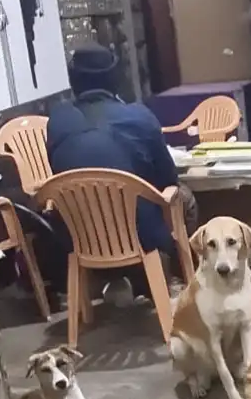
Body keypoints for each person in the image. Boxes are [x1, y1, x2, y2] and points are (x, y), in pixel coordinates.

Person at [43, 43, 192, 304]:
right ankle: (172, 278)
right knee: (184, 199)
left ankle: (115, 278)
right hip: (141, 235)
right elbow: (168, 178)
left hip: (80, 236)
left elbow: (58, 169)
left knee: (108, 209)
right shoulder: (138, 116)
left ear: (73, 80)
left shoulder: (57, 120)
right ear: (115, 79)